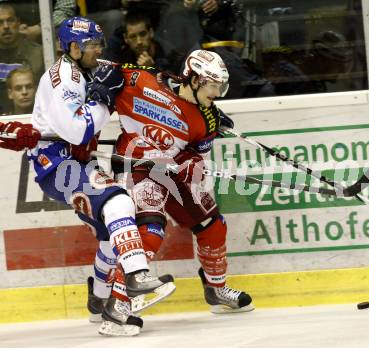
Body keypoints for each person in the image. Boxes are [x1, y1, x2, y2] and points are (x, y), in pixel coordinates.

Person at [0, 16, 175, 337]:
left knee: (111, 230)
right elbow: (79, 130)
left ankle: (102, 301)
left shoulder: (86, 66)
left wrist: (178, 93)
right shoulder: (62, 80)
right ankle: (136, 276)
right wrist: (102, 99)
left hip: (79, 161)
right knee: (119, 201)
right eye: (92, 45)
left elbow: (129, 79)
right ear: (73, 48)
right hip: (55, 164)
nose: (98, 50)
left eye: (99, 44)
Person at [86, 49, 254, 329]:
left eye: (220, 86)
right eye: (213, 85)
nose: (217, 93)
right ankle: (117, 304)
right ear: (195, 79)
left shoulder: (207, 119)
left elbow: (195, 153)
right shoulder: (143, 81)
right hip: (137, 164)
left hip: (173, 168)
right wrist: (104, 81)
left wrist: (191, 163)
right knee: (149, 232)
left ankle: (215, 289)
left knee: (213, 225)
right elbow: (106, 68)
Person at [0, 3, 44, 114]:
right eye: (0, 22)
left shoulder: (38, 53)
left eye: (10, 20)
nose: (5, 26)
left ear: (18, 22)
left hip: (32, 117)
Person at [104, 11, 172, 71]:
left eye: (143, 34)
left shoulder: (168, 55)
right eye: (133, 37)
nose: (139, 42)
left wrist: (152, 69)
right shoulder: (123, 58)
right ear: (126, 38)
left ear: (151, 33)